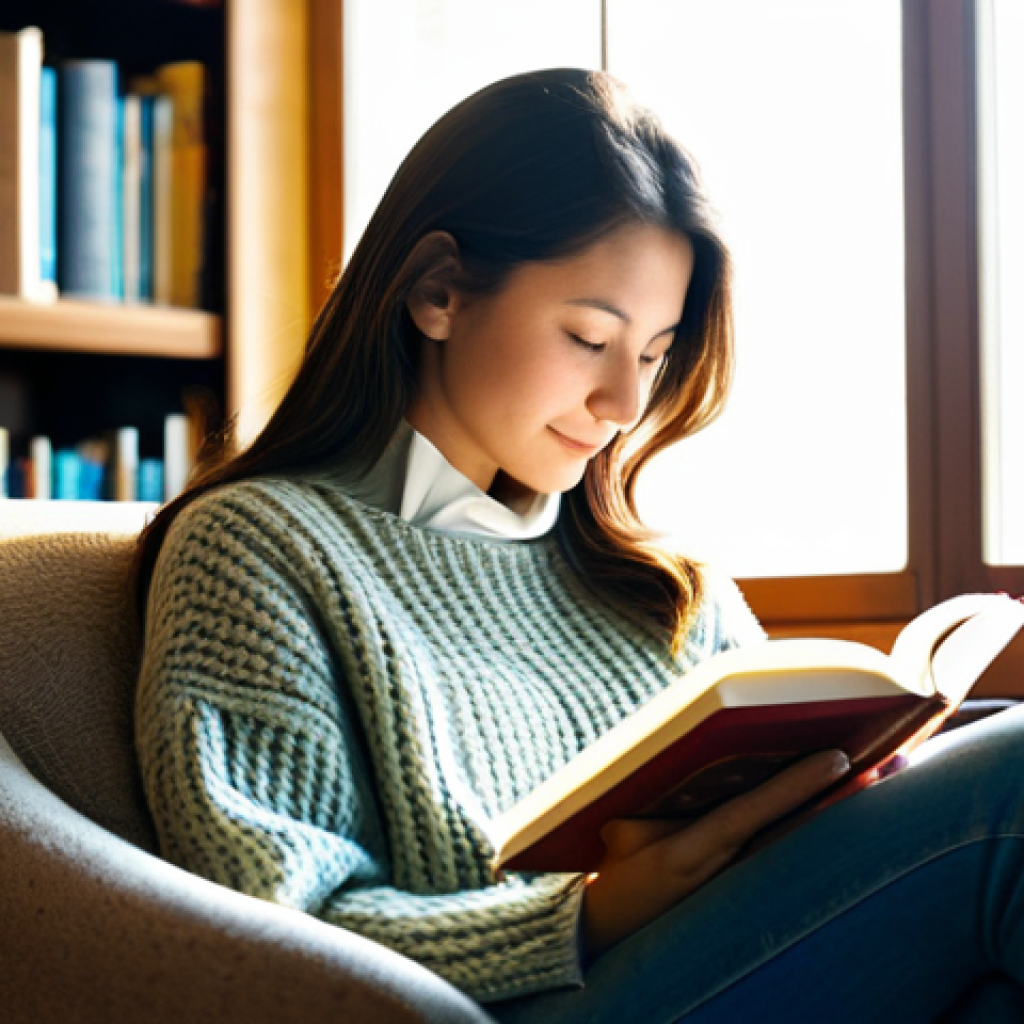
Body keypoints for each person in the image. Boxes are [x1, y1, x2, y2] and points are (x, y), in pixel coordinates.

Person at [133, 68, 1024, 1022]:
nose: (627, 406)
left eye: (652, 354)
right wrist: (590, 916)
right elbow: (272, 925)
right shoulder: (259, 548)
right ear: (438, 292)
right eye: (589, 337)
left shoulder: (665, 585)